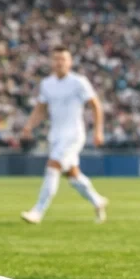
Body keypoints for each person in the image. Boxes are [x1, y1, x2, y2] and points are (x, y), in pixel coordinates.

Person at [19, 47, 108, 223]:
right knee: (73, 177)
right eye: (56, 59)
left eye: (63, 59)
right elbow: (40, 109)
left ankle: (38, 211)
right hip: (56, 136)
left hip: (73, 135)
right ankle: (97, 201)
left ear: (70, 62)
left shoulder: (78, 82)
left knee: (53, 167)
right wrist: (28, 127)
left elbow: (95, 105)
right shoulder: (47, 84)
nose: (59, 63)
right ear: (51, 62)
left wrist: (98, 130)